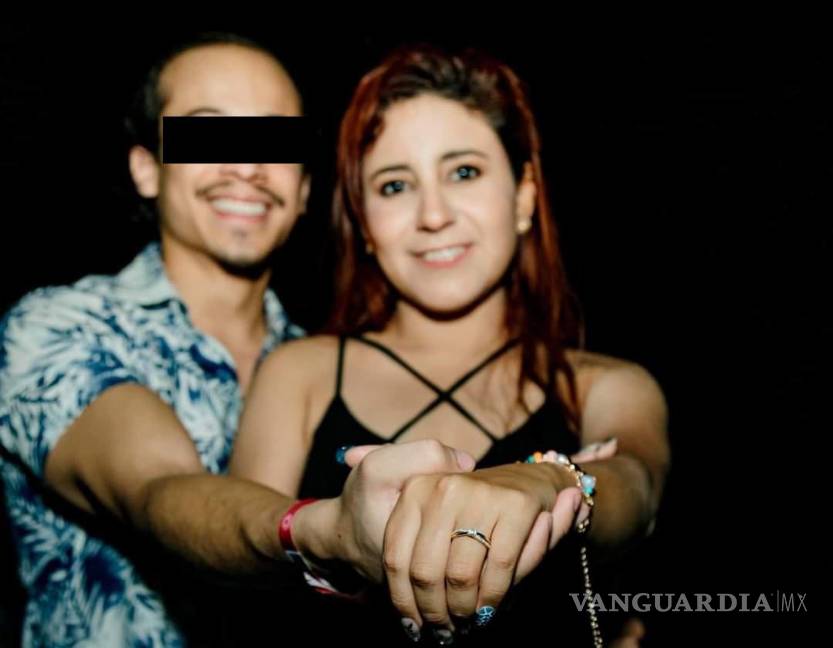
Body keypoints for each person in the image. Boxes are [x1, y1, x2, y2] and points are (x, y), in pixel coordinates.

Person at [0, 33, 480, 646]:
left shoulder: (325, 367)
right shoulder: (56, 327)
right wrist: (320, 529)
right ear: (146, 168)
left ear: (304, 189)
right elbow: (157, 489)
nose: (248, 167)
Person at [231, 44, 671, 645]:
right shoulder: (298, 373)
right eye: (394, 185)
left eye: (463, 172)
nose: (433, 214)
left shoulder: (605, 383)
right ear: (364, 224)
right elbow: (243, 568)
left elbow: (636, 490)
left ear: (523, 195)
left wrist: (549, 482)